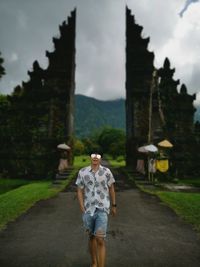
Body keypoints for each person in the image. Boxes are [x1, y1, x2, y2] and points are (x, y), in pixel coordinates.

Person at [76, 152, 116, 267]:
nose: (95, 157)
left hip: (102, 208)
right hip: (88, 210)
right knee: (91, 237)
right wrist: (81, 207)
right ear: (90, 157)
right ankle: (94, 262)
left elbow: (111, 188)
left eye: (98, 155)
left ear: (100, 158)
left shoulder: (106, 172)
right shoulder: (82, 172)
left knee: (100, 238)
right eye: (93, 155)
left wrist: (114, 205)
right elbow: (79, 189)